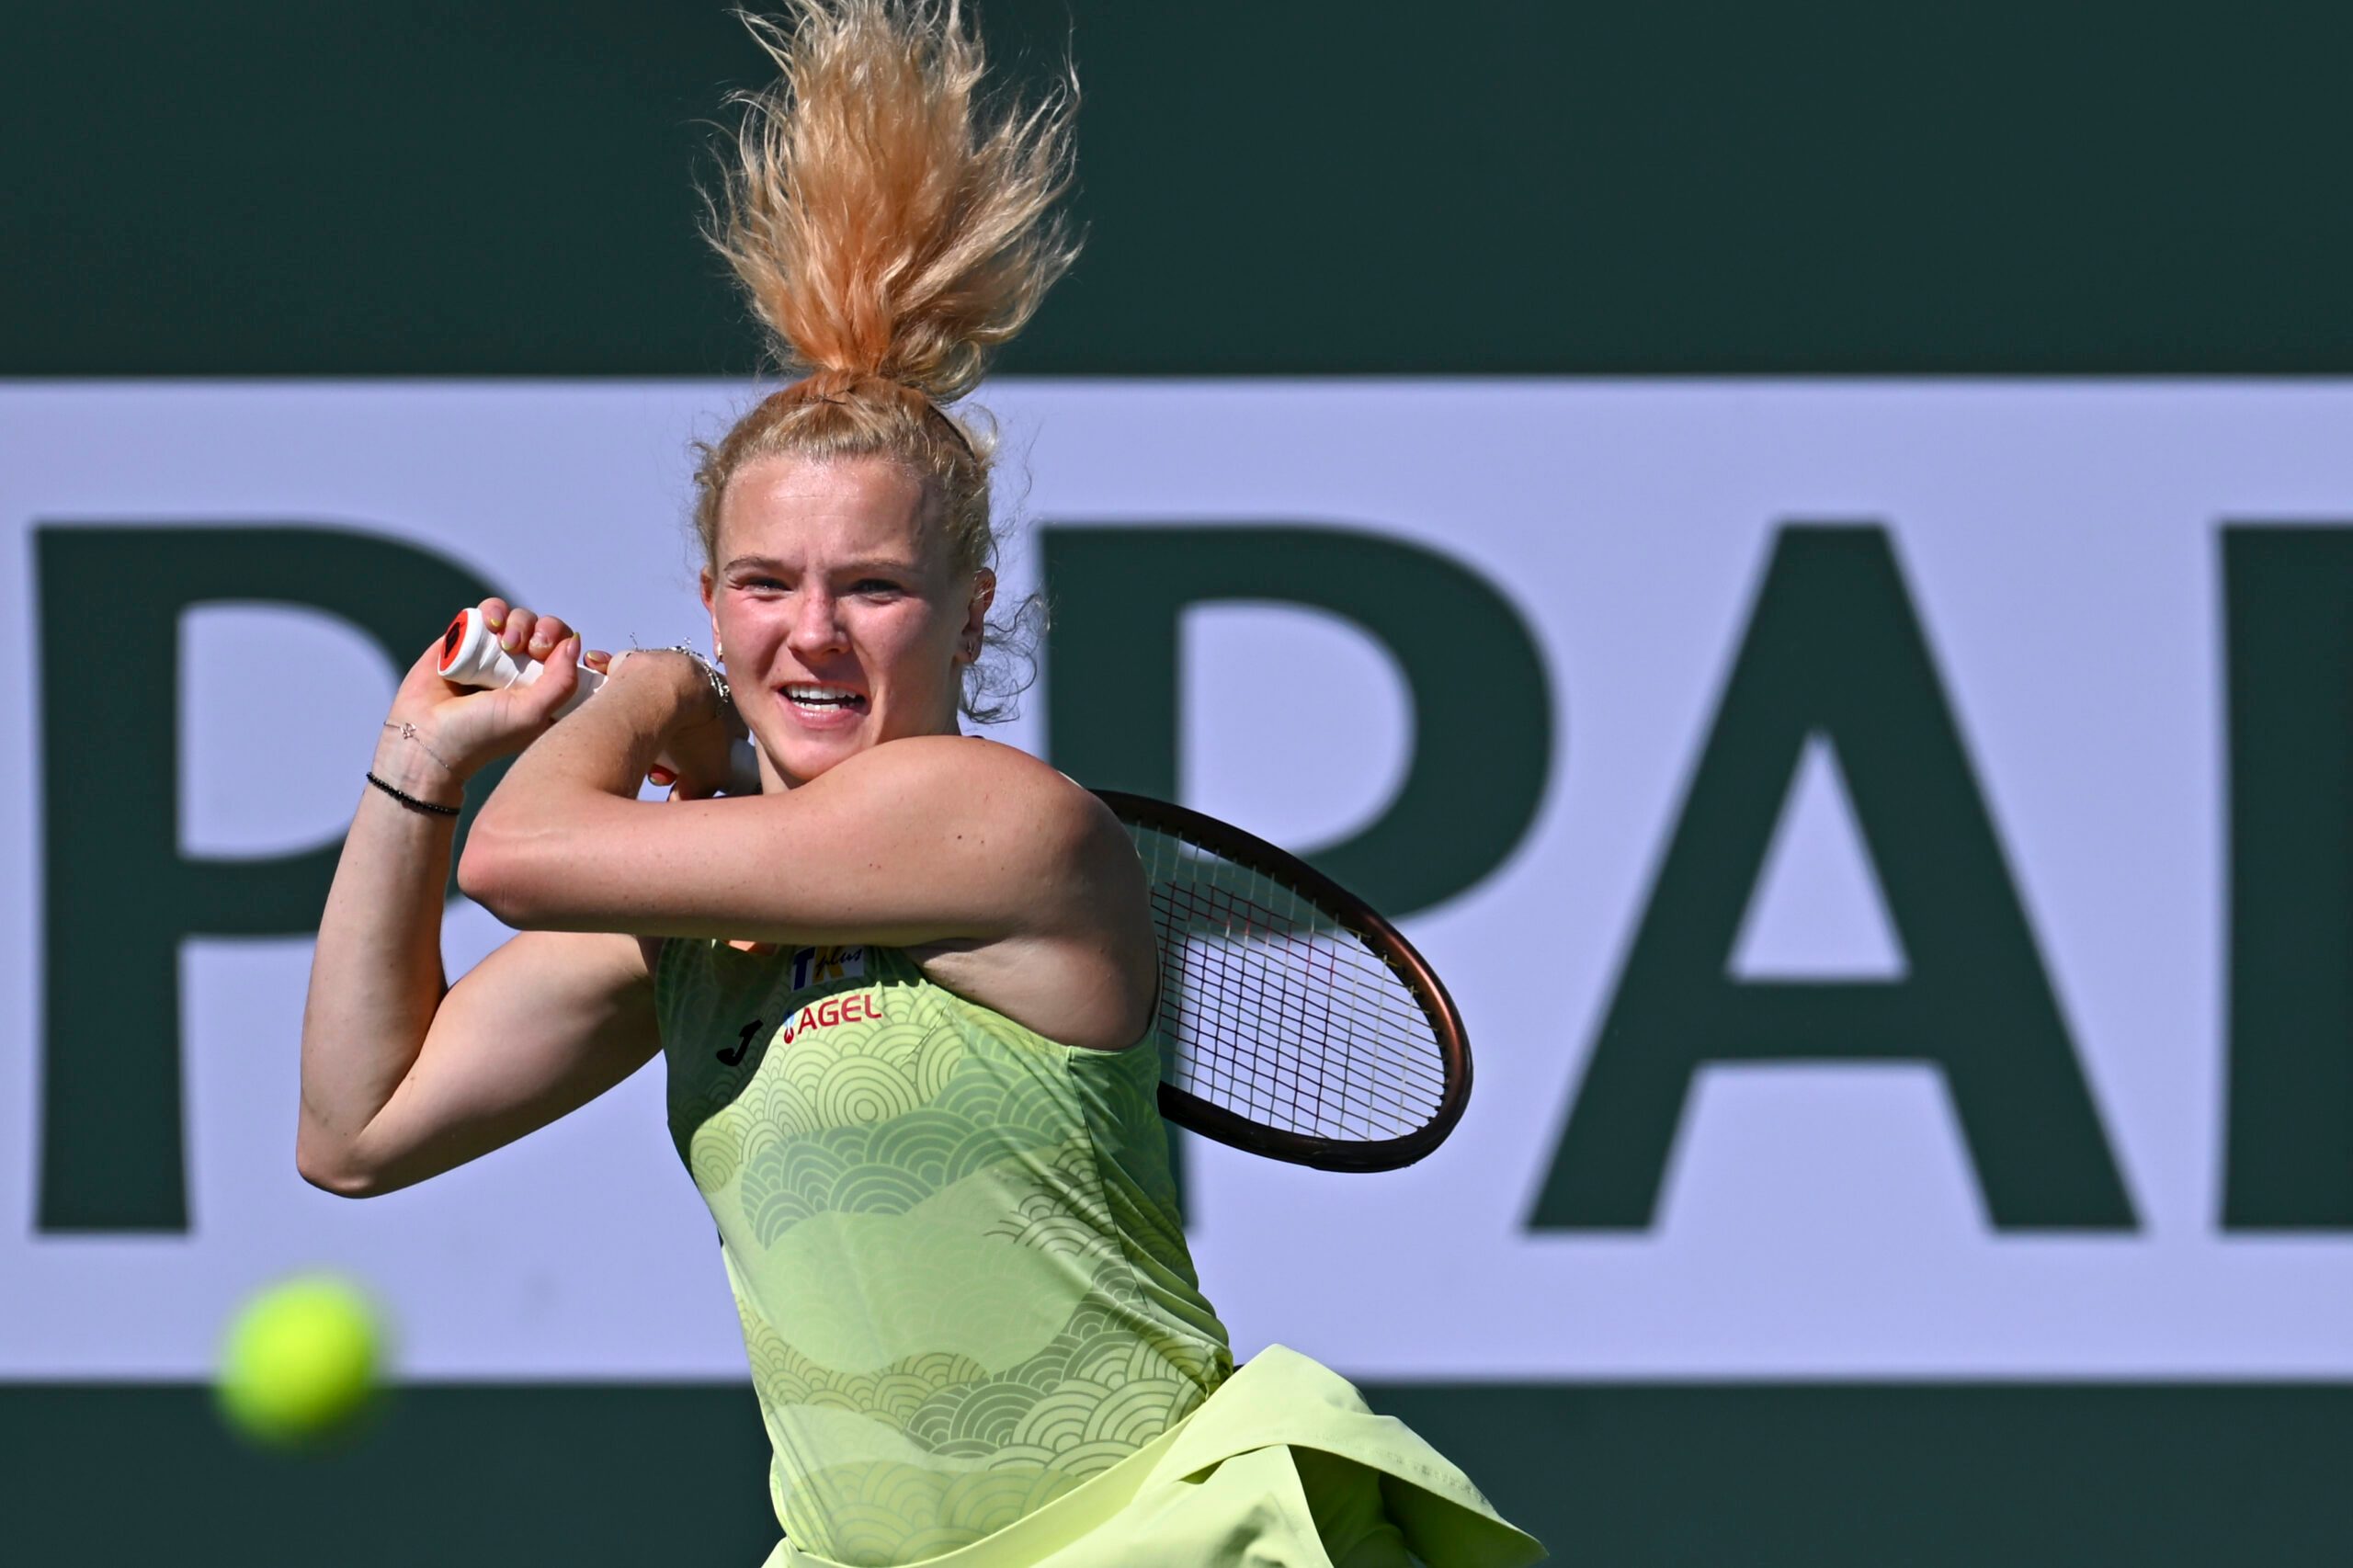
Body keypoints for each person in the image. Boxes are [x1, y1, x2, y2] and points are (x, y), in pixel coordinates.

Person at [297, 3, 1544, 1564]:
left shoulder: (998, 824)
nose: (811, 631)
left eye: (873, 586)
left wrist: (649, 698)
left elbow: (522, 857)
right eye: (764, 584)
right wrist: (416, 765)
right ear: (715, 597)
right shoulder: (692, 915)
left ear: (971, 609)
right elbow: (356, 1126)